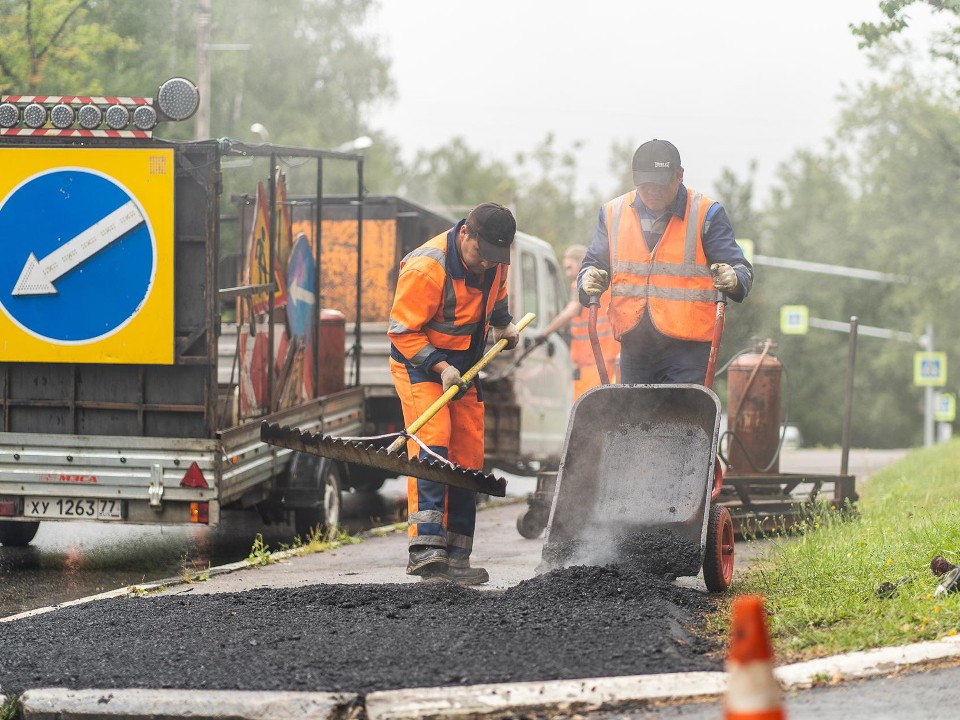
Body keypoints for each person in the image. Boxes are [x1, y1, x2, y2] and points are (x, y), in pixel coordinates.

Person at [387, 201, 520, 585]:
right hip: (420, 364)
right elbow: (401, 332)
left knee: (467, 453)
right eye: (480, 253)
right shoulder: (427, 268)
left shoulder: (495, 259)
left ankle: (458, 556)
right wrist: (441, 368)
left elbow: (496, 297)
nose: (485, 263)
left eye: (493, 257)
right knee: (433, 442)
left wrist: (503, 324)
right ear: (465, 233)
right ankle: (426, 552)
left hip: (465, 366)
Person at [578, 139, 753, 384]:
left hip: (689, 351)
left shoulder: (707, 214)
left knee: (682, 417)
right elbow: (592, 263)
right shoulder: (613, 213)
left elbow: (741, 268)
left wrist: (734, 279)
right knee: (634, 419)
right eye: (645, 185)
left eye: (659, 185)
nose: (652, 192)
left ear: (679, 175)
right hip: (635, 344)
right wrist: (587, 279)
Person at [536, 244, 619, 401]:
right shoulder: (605, 284)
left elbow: (571, 311)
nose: (567, 273)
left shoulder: (579, 285)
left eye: (569, 267)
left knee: (587, 409)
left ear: (582, 262)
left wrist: (544, 334)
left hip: (591, 360)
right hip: (606, 356)